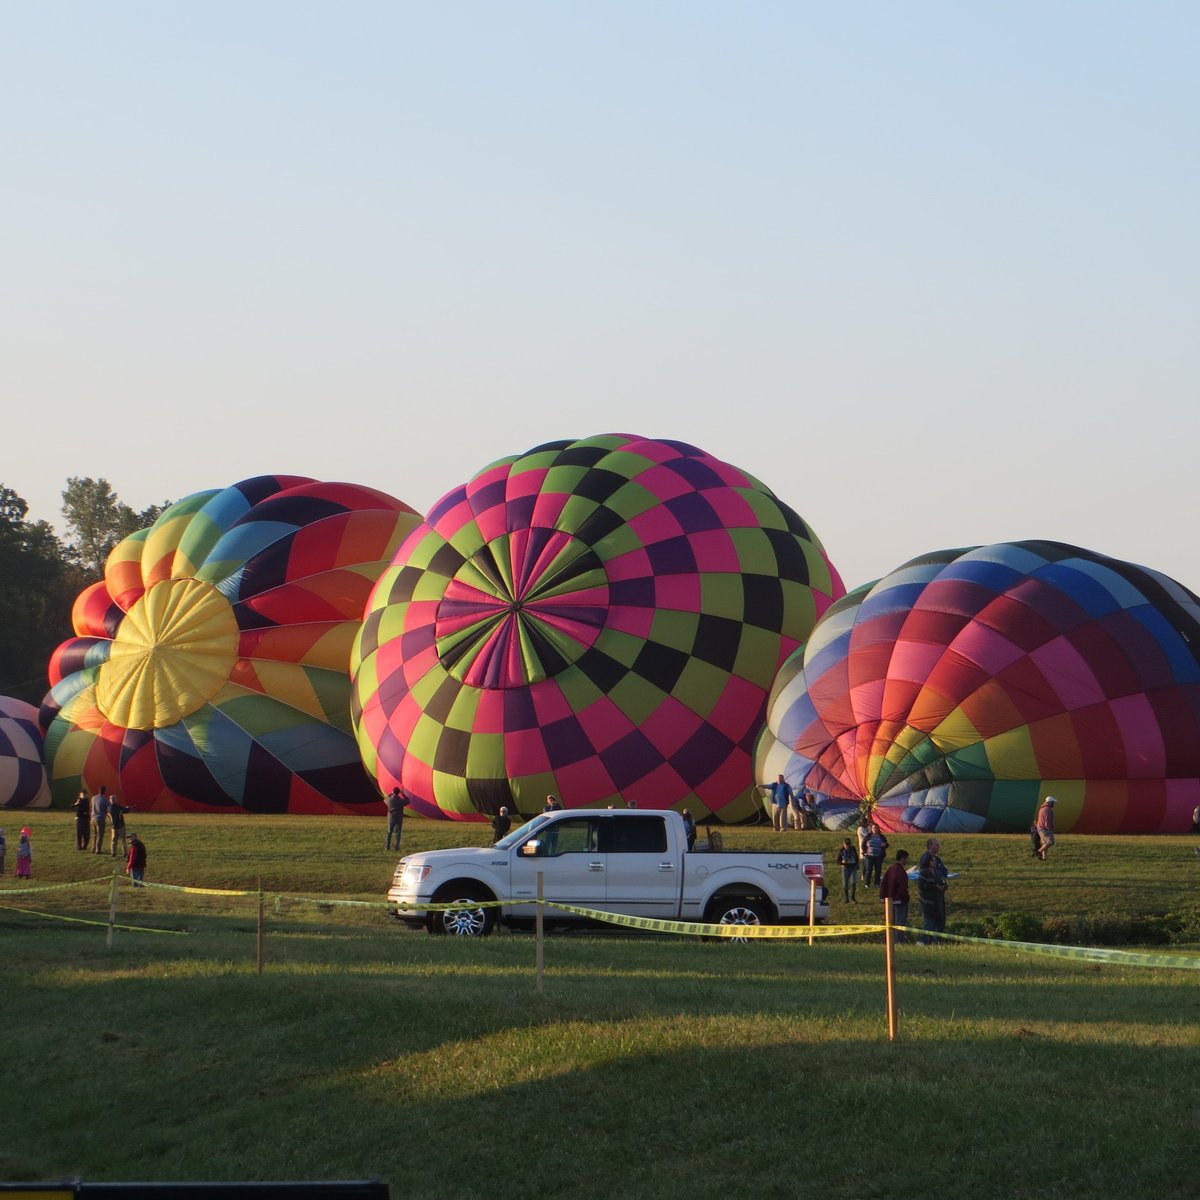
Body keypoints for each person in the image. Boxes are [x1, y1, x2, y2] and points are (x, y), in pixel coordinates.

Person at [917, 838, 948, 944]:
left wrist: (943, 885)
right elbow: (922, 884)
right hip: (928, 900)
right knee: (929, 921)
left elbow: (944, 872)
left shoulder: (937, 862)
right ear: (930, 846)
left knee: (939, 920)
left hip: (938, 899)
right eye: (936, 844)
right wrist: (935, 887)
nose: (938, 846)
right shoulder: (925, 866)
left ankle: (935, 941)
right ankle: (923, 940)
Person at [879, 849, 911, 941]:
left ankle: (889, 941)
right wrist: (906, 898)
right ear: (902, 858)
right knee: (899, 923)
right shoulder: (901, 872)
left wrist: (883, 897)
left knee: (890, 923)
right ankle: (899, 941)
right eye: (906, 858)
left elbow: (883, 883)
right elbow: (902, 888)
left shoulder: (891, 869)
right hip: (899, 901)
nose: (907, 860)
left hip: (889, 900)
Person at [836, 837, 859, 902]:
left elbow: (856, 858)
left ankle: (853, 896)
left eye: (848, 845)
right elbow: (838, 861)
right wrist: (842, 862)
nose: (847, 846)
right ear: (843, 844)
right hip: (845, 868)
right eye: (846, 845)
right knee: (845, 884)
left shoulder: (853, 849)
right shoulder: (841, 851)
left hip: (853, 867)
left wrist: (857, 865)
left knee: (853, 882)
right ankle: (846, 898)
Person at [1035, 796, 1056, 860]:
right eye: (1053, 802)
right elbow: (1047, 819)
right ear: (1050, 802)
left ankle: (1044, 858)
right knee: (1051, 842)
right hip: (1045, 829)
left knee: (1044, 843)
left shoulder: (1042, 808)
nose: (1053, 804)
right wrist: (1048, 828)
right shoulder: (1048, 809)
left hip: (1040, 828)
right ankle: (1039, 851)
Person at [90, 785, 110, 854]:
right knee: (100, 834)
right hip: (100, 818)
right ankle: (98, 850)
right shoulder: (104, 799)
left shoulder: (93, 798)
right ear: (104, 791)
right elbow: (109, 808)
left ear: (98, 790)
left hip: (93, 818)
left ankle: (93, 848)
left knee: (95, 834)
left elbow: (91, 807)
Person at [855, 816, 872, 885]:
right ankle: (863, 875)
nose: (867, 824)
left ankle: (864, 875)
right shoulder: (860, 829)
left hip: (867, 847)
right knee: (865, 862)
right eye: (866, 823)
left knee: (866, 862)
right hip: (863, 847)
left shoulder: (864, 828)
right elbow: (868, 835)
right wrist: (870, 827)